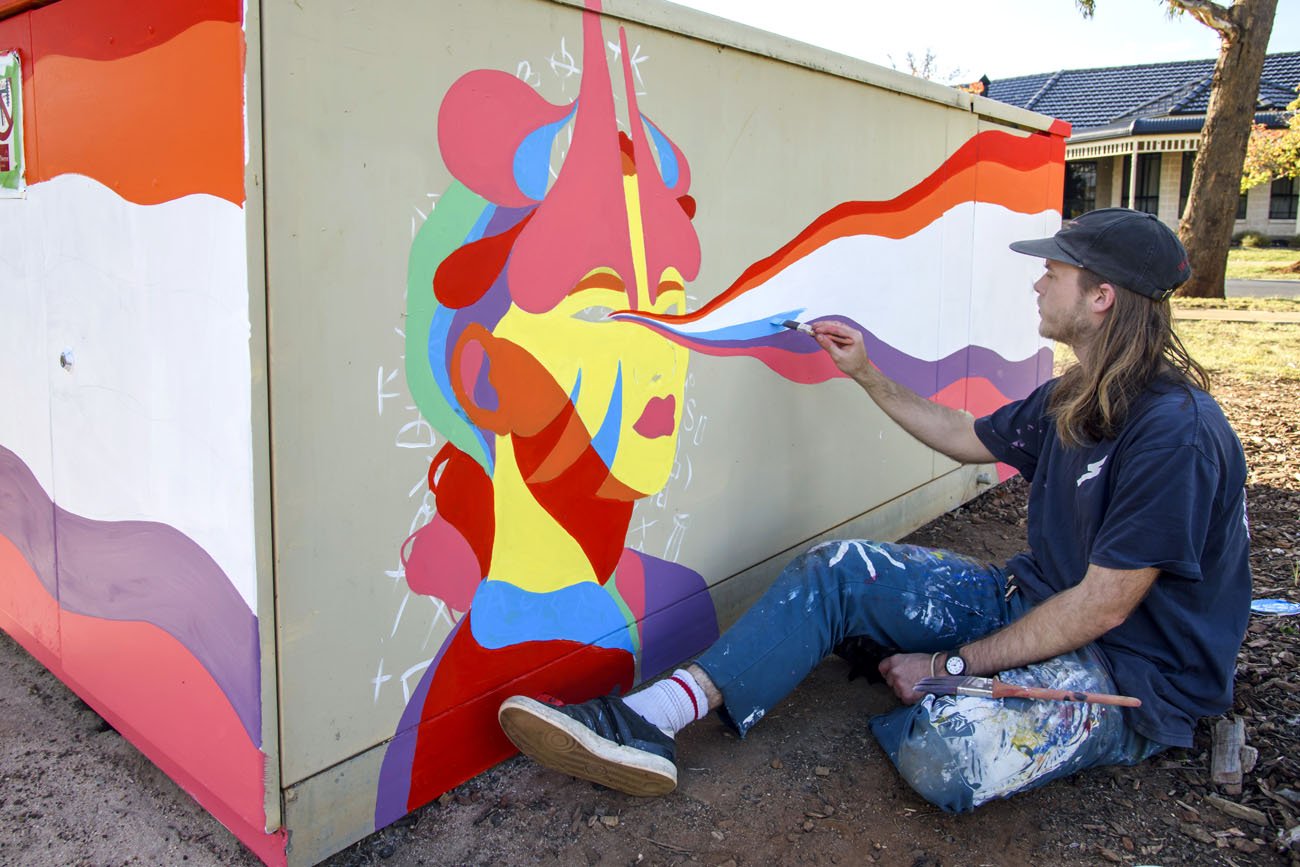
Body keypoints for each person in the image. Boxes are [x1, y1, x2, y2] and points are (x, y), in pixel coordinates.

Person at [497, 208, 1252, 811]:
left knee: (946, 752)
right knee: (841, 569)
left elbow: (1102, 607)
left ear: (1101, 296)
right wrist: (866, 373)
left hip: (1136, 670)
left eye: (1052, 271)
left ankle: (943, 687)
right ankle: (649, 719)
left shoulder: (1174, 433)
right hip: (1035, 600)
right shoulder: (1074, 394)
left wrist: (948, 664)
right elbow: (963, 434)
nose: (1037, 283)